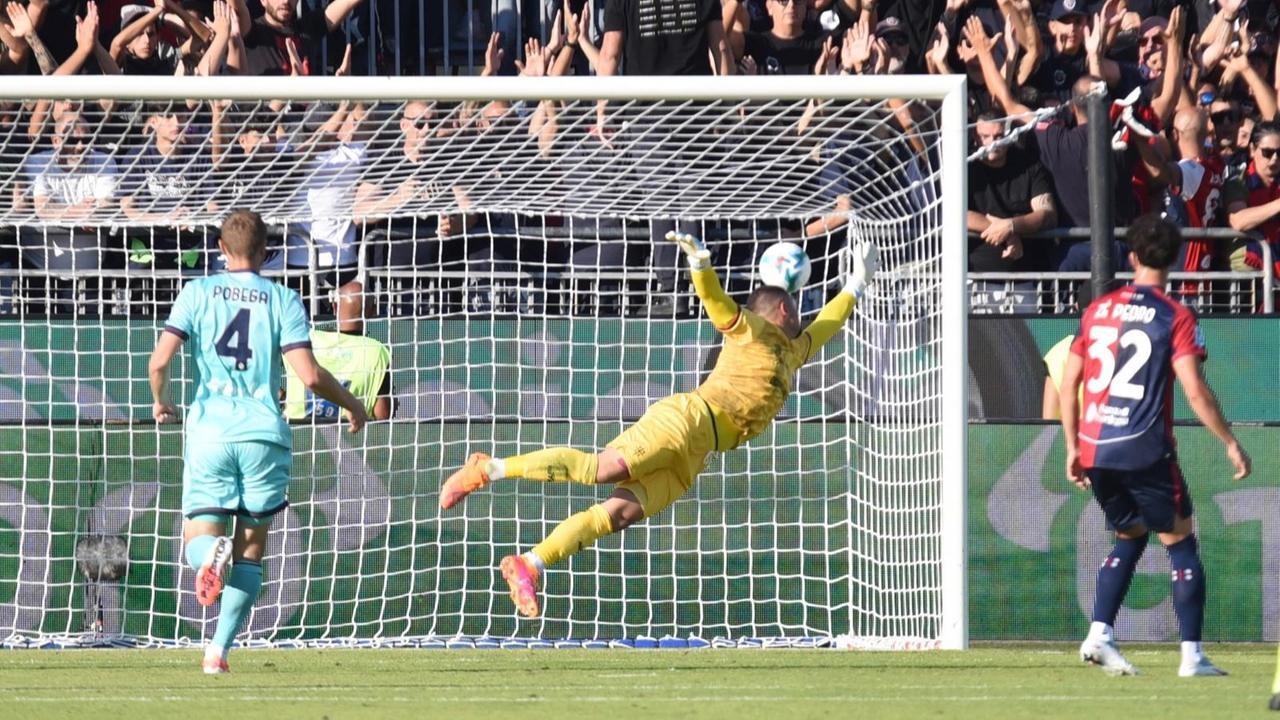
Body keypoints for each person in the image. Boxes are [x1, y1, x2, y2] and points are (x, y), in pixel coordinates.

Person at [439, 231, 879, 617]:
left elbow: (829, 323)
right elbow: (717, 302)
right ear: (781, 309)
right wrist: (700, 265)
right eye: (797, 305)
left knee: (619, 514)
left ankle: (530, 564)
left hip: (697, 453)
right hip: (686, 421)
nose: (803, 312)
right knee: (602, 470)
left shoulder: (795, 348)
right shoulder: (753, 330)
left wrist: (857, 285)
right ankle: (487, 468)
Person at [147, 209, 367, 673]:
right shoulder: (283, 299)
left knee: (198, 538)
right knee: (250, 550)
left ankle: (209, 557)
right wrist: (351, 403)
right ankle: (217, 653)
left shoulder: (196, 291)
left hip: (210, 431)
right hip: (264, 434)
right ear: (266, 252)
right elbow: (308, 375)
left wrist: (160, 400)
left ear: (221, 250)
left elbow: (159, 361)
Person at [1059, 212, 1251, 678]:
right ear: (1179, 257)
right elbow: (1193, 388)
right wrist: (1229, 440)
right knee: (1181, 543)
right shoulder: (1176, 314)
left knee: (1130, 534)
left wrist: (1071, 446)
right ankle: (1192, 657)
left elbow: (1070, 383)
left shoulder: (1098, 309)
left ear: (1132, 256)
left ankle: (1099, 633)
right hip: (1144, 447)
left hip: (1096, 444)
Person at [283, 280, 393, 421]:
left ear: (334, 307)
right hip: (353, 438)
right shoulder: (377, 351)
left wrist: (283, 397)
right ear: (372, 311)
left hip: (296, 435)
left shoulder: (303, 339)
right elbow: (383, 416)